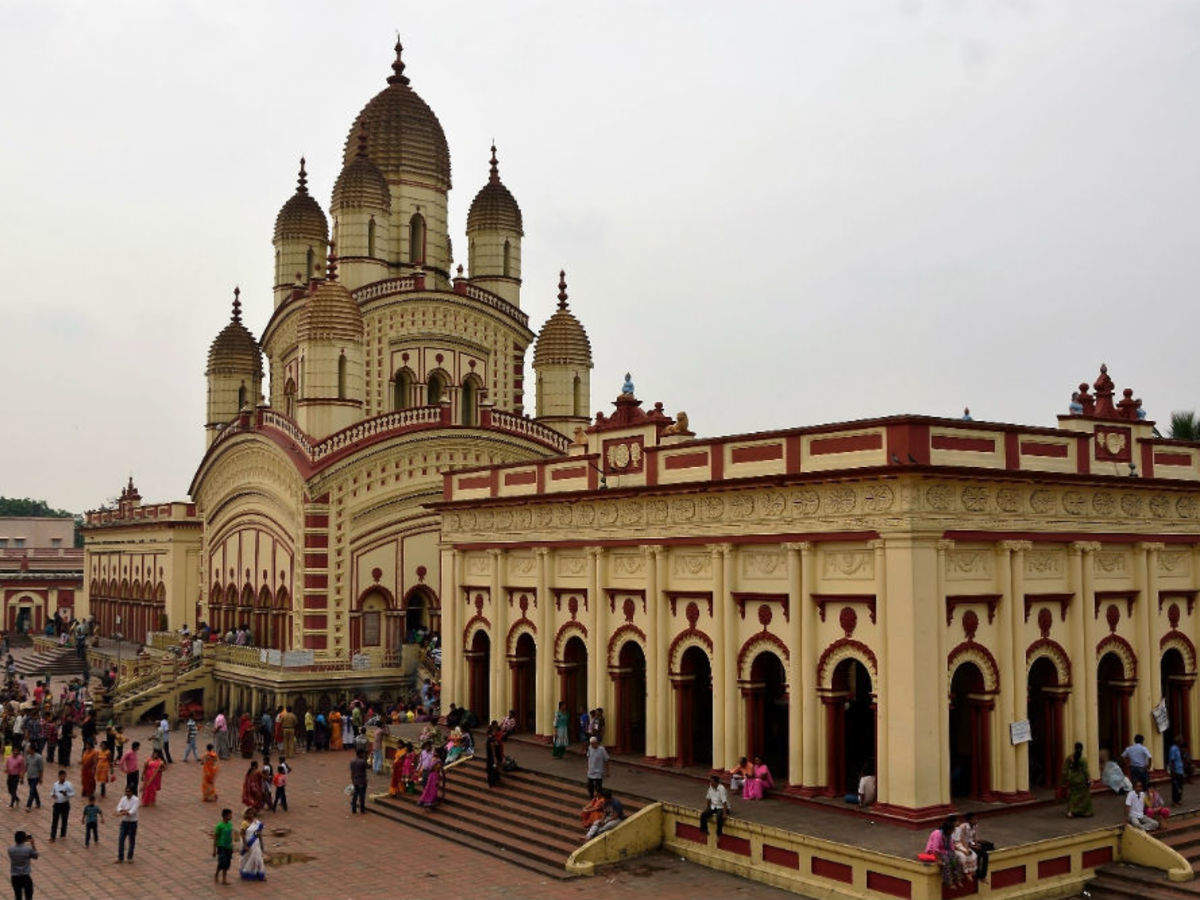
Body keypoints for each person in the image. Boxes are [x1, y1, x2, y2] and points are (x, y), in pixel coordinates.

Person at [923, 815, 964, 887]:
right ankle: (949, 882)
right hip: (934, 852)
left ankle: (958, 879)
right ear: (948, 829)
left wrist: (953, 854)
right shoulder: (937, 834)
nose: (953, 831)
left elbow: (951, 846)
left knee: (957, 860)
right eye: (952, 830)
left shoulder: (948, 835)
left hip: (945, 850)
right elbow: (935, 848)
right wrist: (938, 860)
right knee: (946, 862)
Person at [1062, 743, 1094, 817]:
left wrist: (1064, 780)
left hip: (1072, 779)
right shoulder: (1083, 760)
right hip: (1081, 780)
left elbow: (1064, 770)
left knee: (1073, 796)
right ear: (1082, 749)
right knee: (1084, 796)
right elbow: (1086, 771)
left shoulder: (1069, 758)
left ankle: (1071, 811)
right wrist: (1089, 779)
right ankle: (1085, 812)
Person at [699, 774, 731, 838]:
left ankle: (719, 833)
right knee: (703, 815)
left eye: (711, 781)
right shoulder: (710, 788)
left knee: (719, 817)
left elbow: (724, 802)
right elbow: (708, 798)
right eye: (710, 781)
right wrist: (708, 808)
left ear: (716, 782)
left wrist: (724, 813)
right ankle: (704, 830)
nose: (710, 783)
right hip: (714, 806)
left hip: (722, 807)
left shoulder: (721, 789)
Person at [239, 808, 266, 881]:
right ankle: (247, 873)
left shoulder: (257, 823)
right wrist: (245, 845)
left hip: (256, 844)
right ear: (246, 814)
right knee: (248, 858)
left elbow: (259, 834)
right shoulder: (244, 823)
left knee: (258, 858)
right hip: (248, 843)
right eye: (249, 813)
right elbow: (242, 834)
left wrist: (262, 844)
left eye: (252, 813)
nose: (251, 815)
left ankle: (260, 874)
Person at [7, 831, 36, 900]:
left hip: (15, 877)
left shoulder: (10, 849)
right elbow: (35, 856)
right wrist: (32, 844)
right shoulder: (28, 849)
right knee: (28, 896)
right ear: (24, 839)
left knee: (18, 896)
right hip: (25, 876)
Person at [115, 785, 140, 863]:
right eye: (126, 791)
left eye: (128, 791)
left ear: (132, 792)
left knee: (131, 840)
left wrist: (124, 812)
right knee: (121, 839)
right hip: (124, 822)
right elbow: (118, 807)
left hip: (132, 823)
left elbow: (132, 811)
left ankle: (130, 857)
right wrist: (123, 811)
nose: (127, 793)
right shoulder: (123, 799)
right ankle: (120, 857)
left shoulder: (136, 800)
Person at [48, 770, 75, 842]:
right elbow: (51, 792)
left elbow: (73, 793)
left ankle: (63, 834)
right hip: (57, 804)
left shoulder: (68, 785)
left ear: (65, 776)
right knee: (55, 821)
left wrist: (66, 794)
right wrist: (53, 795)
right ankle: (52, 836)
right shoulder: (55, 784)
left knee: (64, 820)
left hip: (65, 804)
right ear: (59, 776)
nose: (62, 777)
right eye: (61, 776)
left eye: (64, 776)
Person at [951, 814, 979, 881]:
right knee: (962, 857)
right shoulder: (949, 831)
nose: (959, 823)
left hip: (960, 845)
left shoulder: (958, 829)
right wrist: (962, 850)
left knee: (973, 855)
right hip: (954, 847)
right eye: (957, 821)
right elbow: (951, 844)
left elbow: (962, 839)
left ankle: (971, 871)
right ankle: (966, 873)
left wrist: (966, 848)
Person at [212, 808, 234, 885]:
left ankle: (224, 879)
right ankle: (217, 874)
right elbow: (215, 837)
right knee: (222, 862)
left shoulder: (230, 824)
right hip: (221, 846)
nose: (231, 816)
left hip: (228, 847)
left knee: (227, 863)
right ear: (225, 816)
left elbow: (230, 836)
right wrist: (214, 849)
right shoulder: (219, 826)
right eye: (230, 815)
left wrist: (232, 845)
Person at [350, 749, 368, 814]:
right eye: (363, 754)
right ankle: (362, 810)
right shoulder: (362, 762)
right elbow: (366, 768)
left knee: (355, 795)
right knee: (362, 796)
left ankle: (353, 809)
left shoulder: (352, 761)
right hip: (362, 780)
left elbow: (352, 772)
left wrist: (352, 780)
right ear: (360, 754)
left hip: (355, 780)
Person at [1169, 738, 1187, 806]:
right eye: (1181, 741)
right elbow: (1172, 761)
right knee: (1175, 787)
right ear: (1178, 741)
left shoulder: (1178, 749)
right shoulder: (1173, 749)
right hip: (1176, 771)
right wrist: (1173, 771)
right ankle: (1175, 801)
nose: (1182, 742)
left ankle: (1179, 800)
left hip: (1180, 770)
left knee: (1180, 786)